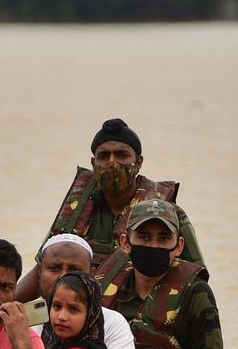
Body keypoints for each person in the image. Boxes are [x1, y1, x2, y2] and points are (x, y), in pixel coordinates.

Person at [19, 117, 204, 296]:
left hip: (141, 313)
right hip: (80, 312)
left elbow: (196, 279)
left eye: (122, 155)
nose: (112, 163)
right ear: (93, 163)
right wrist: (4, 308)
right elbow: (41, 271)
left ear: (138, 163)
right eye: (104, 156)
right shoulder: (77, 210)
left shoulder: (167, 214)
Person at [102, 198, 225, 349]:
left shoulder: (196, 292)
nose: (153, 246)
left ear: (179, 246)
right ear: (125, 242)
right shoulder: (104, 287)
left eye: (164, 238)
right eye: (143, 237)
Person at [30, 233, 139, 349]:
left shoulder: (112, 320)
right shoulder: (24, 316)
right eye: (54, 268)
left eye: (74, 270)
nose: (63, 276)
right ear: (40, 271)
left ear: (93, 274)